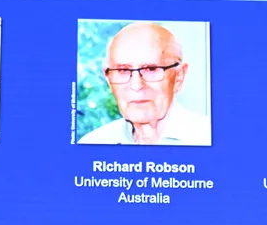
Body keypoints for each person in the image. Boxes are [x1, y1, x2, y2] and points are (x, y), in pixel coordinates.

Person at [79, 22, 210, 146]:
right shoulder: (92, 144)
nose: (136, 86)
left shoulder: (209, 139)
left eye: (151, 69)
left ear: (179, 77)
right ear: (108, 80)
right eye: (123, 70)